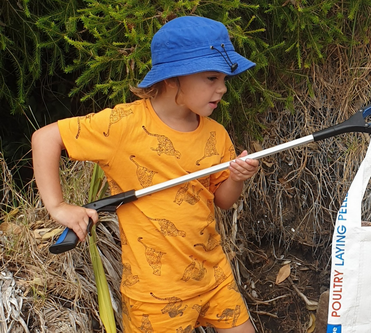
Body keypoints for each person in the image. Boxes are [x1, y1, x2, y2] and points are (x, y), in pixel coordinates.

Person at [32, 16, 259, 333]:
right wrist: (57, 207)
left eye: (223, 78)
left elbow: (221, 200)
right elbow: (45, 139)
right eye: (211, 77)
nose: (221, 88)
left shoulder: (216, 134)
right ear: (172, 77)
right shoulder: (122, 125)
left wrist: (237, 177)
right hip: (156, 295)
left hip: (214, 276)